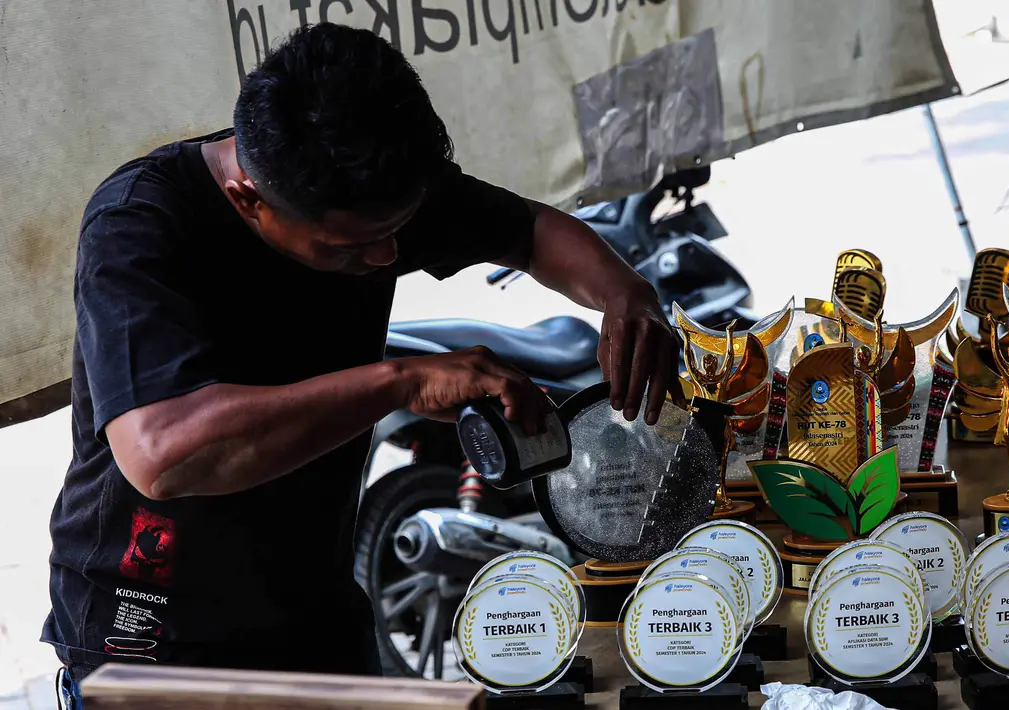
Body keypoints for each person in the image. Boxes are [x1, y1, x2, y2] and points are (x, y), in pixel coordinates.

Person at [43, 22, 681, 699]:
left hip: (311, 609)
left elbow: (528, 232)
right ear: (247, 200)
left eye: (395, 235)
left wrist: (627, 295)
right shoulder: (140, 225)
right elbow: (164, 454)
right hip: (154, 634)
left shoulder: (376, 192)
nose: (384, 259)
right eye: (349, 247)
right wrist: (399, 382)